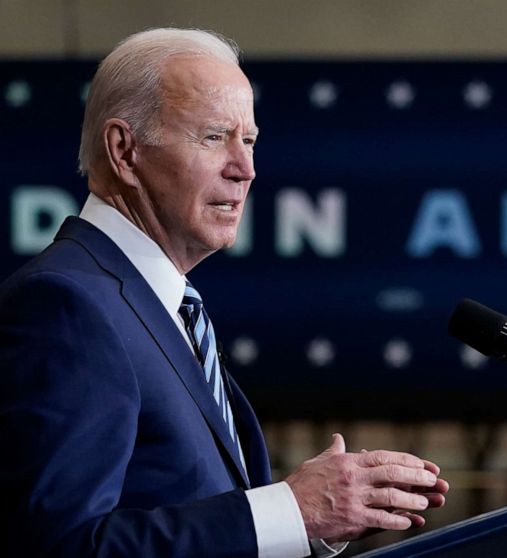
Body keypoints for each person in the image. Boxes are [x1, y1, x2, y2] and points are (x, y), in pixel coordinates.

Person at [0, 28, 448, 557]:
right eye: (214, 137)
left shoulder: (162, 309)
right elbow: (62, 547)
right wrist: (291, 509)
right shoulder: (67, 305)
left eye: (250, 140)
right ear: (124, 150)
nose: (246, 170)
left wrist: (309, 527)